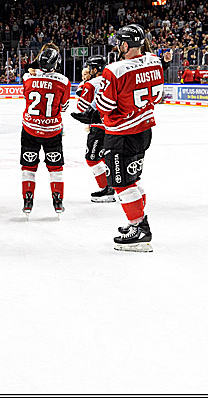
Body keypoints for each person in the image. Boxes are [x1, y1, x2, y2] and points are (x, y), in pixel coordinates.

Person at [93, 23, 164, 252]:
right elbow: (159, 95)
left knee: (123, 183)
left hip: (122, 133)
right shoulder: (155, 61)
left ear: (125, 44)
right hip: (144, 129)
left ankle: (139, 229)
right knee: (133, 178)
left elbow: (105, 105)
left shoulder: (114, 70)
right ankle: (138, 220)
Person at [19, 44, 71, 217]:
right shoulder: (64, 82)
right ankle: (58, 201)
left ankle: (27, 200)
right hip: (52, 131)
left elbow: (27, 93)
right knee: (56, 168)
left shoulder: (28, 78)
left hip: (30, 129)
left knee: (28, 167)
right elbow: (63, 107)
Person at [72, 55, 114, 202]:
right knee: (105, 157)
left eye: (90, 68)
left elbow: (81, 106)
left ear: (95, 69)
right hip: (113, 125)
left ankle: (108, 190)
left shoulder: (92, 83)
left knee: (92, 158)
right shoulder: (112, 79)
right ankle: (115, 186)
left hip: (98, 126)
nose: (88, 71)